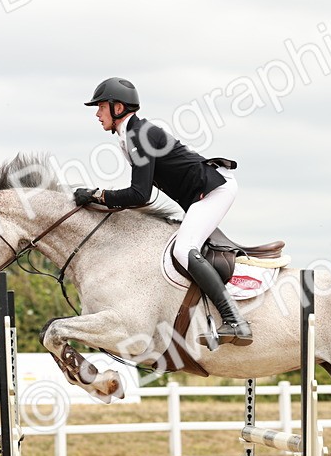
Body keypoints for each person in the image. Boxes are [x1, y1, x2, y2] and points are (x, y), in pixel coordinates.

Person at [74, 77, 253, 347]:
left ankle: (235, 321)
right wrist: (100, 201)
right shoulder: (130, 135)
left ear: (118, 107)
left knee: (184, 249)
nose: (97, 114)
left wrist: (97, 195)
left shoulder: (138, 136)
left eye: (100, 107)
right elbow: (141, 197)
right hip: (202, 194)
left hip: (214, 190)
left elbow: (139, 195)